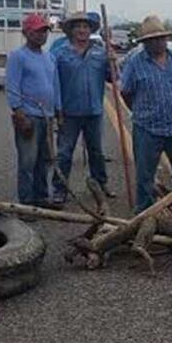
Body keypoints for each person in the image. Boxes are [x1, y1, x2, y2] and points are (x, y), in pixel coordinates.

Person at [120, 16, 172, 222]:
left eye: (160, 38)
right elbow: (126, 92)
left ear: (166, 39)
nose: (157, 43)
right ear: (145, 43)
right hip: (147, 129)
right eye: (152, 40)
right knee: (145, 176)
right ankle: (144, 215)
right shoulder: (135, 63)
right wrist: (141, 112)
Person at [51, 11, 115, 204]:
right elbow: (53, 83)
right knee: (64, 153)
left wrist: (112, 62)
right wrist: (56, 109)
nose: (82, 30)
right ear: (70, 30)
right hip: (69, 112)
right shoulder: (59, 54)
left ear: (90, 30)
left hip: (93, 111)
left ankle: (100, 184)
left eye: (85, 27)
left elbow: (112, 78)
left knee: (96, 151)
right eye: (77, 26)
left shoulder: (100, 53)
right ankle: (59, 189)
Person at [5, 14, 56, 206]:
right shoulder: (18, 57)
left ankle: (42, 197)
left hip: (47, 116)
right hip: (28, 116)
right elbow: (12, 86)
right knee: (28, 161)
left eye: (44, 31)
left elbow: (55, 85)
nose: (41, 35)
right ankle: (26, 201)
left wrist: (58, 111)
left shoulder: (49, 57)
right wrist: (19, 112)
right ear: (26, 33)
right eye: (37, 31)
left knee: (45, 159)